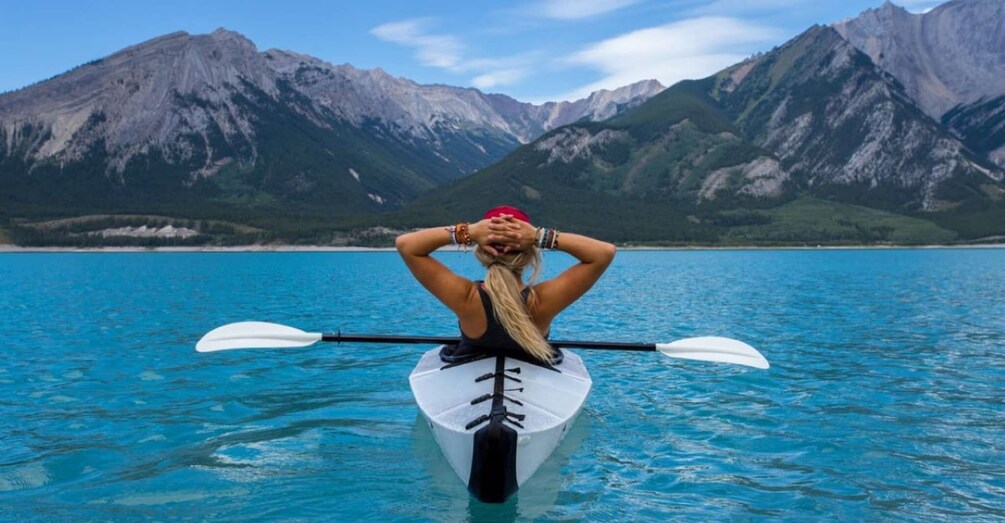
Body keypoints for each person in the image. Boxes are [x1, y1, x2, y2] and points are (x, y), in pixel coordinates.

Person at [395, 205, 616, 363]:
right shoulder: (543, 301)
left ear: (482, 251)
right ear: (530, 252)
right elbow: (603, 252)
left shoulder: (465, 297)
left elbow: (406, 245)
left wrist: (468, 231)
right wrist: (540, 236)